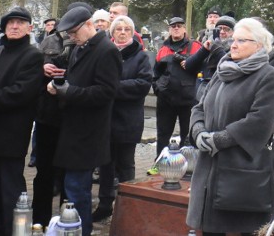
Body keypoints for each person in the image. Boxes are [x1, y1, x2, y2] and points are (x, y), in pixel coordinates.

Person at [186, 18, 274, 236]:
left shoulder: (268, 76)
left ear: (258, 45)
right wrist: (199, 132)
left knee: (244, 229)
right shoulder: (223, 71)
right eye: (233, 39)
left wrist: (220, 139)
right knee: (211, 229)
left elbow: (260, 121)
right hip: (211, 166)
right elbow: (199, 107)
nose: (233, 45)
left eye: (241, 40)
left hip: (244, 171)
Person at [46, 5, 121, 236]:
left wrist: (67, 92)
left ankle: (82, 231)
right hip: (74, 129)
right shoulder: (81, 47)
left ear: (89, 25)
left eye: (73, 32)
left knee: (77, 190)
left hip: (89, 133)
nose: (71, 37)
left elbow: (106, 92)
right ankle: (76, 229)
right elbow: (79, 78)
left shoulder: (107, 50)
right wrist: (59, 83)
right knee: (73, 189)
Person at [0, 6, 44, 236]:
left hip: (11, 134)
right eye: (10, 23)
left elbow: (20, 92)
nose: (15, 26)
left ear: (29, 28)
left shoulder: (32, 55)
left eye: (20, 22)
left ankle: (15, 230)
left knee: (11, 188)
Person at [93, 15, 151, 221]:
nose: (123, 32)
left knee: (126, 165)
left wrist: (111, 88)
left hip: (128, 119)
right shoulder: (104, 53)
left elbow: (143, 84)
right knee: (105, 164)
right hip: (106, 119)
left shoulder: (141, 56)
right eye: (119, 29)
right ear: (112, 32)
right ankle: (105, 204)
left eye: (127, 29)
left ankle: (128, 204)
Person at [32, 16, 71, 227]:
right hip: (47, 115)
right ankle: (39, 221)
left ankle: (66, 222)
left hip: (70, 117)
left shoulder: (84, 45)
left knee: (68, 174)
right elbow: (36, 65)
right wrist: (43, 69)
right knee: (43, 172)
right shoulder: (47, 42)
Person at [150, 17, 202, 168]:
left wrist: (185, 59)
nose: (176, 29)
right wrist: (158, 88)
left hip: (188, 99)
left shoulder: (195, 46)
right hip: (166, 100)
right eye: (173, 27)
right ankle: (160, 164)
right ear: (169, 30)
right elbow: (156, 73)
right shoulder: (163, 49)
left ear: (185, 29)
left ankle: (187, 166)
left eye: (179, 26)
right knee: (163, 134)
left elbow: (200, 67)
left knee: (187, 135)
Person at [183, 14, 234, 102]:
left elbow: (228, 68)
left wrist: (217, 48)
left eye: (226, 29)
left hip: (220, 98)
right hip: (200, 97)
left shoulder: (235, 49)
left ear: (233, 32)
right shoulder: (207, 44)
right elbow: (188, 65)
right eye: (219, 29)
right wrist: (203, 50)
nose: (222, 32)